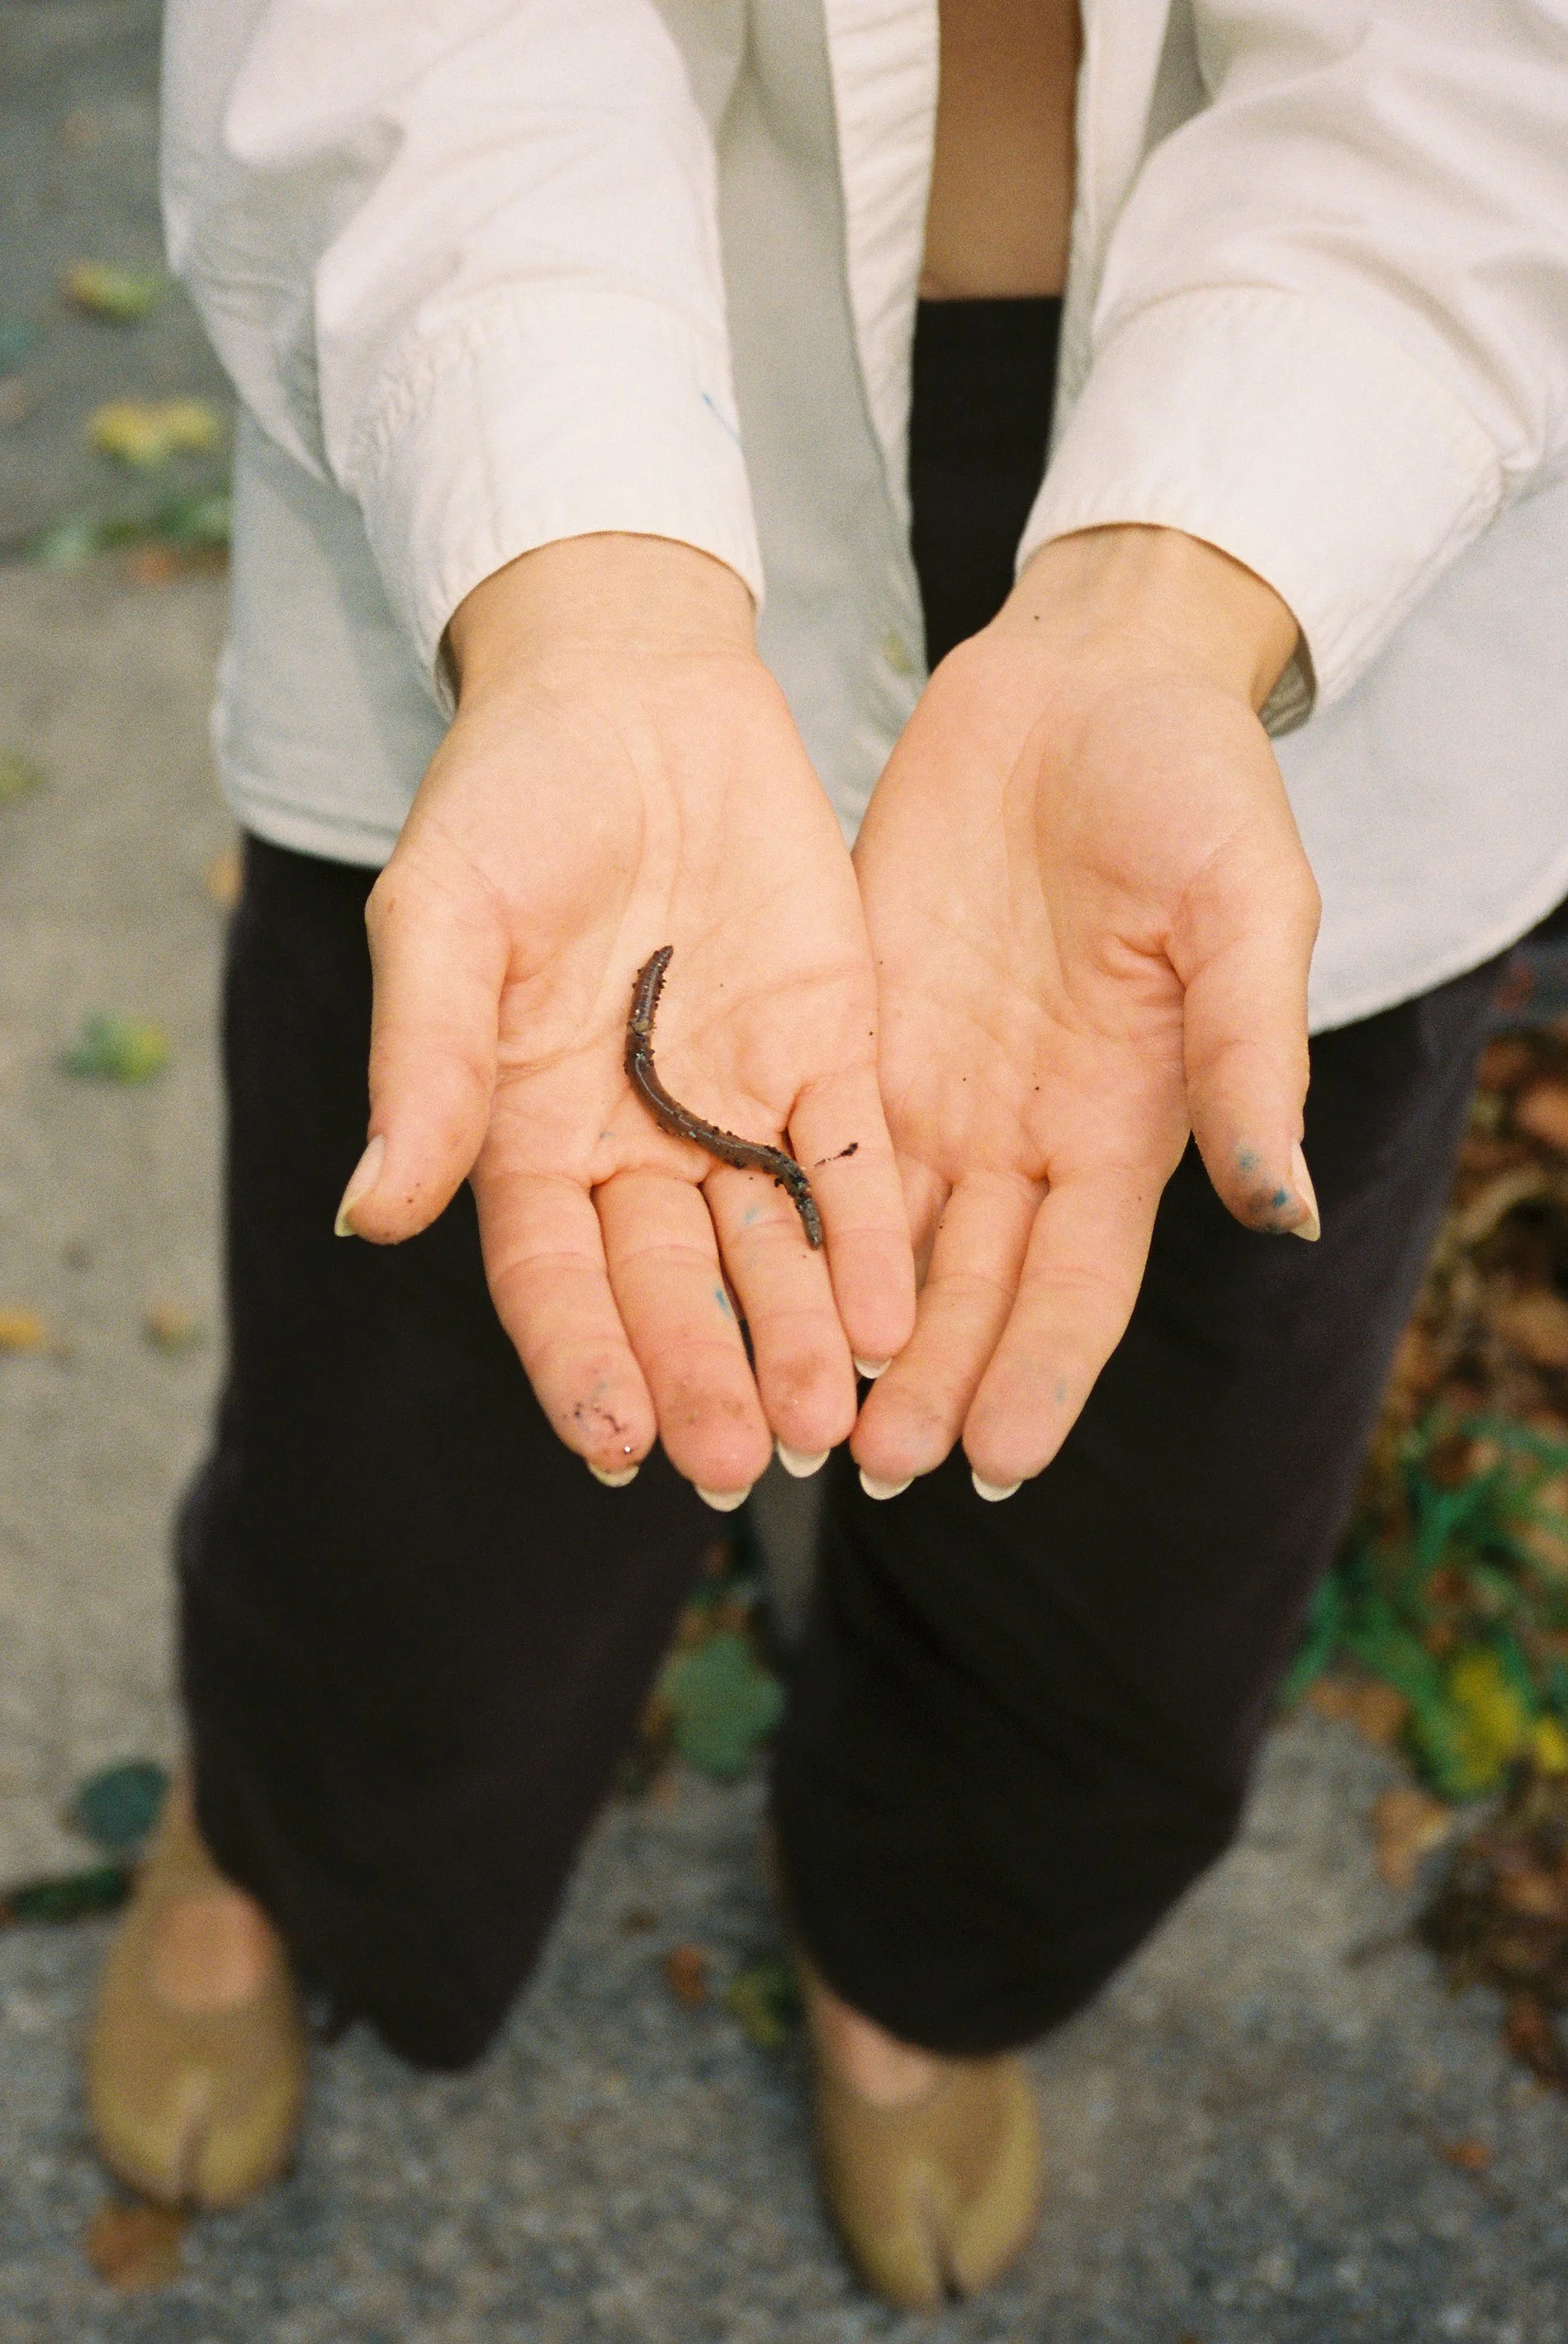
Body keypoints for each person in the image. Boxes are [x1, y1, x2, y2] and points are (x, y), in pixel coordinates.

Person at [89, 0, 1568, 2308]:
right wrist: (578, 599)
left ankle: (932, 1944)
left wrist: (1190, 585)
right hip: (565, 458)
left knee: (1143, 1469)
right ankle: (281, 1826)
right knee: (416, 1420)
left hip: (1338, 527)